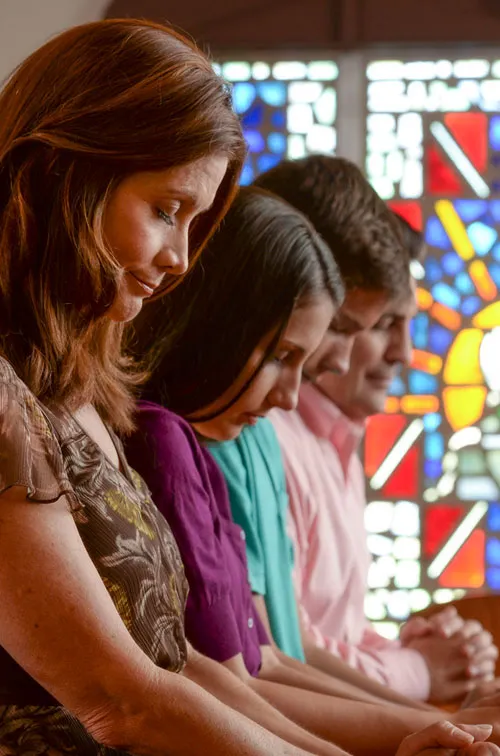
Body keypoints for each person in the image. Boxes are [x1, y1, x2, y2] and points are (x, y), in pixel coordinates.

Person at [0, 17, 329, 756]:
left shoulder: (74, 393)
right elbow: (122, 703)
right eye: (167, 210)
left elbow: (174, 664)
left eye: (196, 221)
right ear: (64, 175)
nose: (181, 258)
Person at [126, 186, 500, 756]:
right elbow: (226, 682)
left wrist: (437, 721)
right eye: (282, 356)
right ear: (224, 322)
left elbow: (269, 656)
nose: (293, 395)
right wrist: (419, 718)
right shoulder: (165, 440)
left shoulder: (204, 444)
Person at [229, 156, 496, 705]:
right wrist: (418, 680)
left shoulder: (339, 439)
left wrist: (411, 653)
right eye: (375, 327)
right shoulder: (259, 429)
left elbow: (325, 635)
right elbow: (277, 653)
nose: (403, 353)